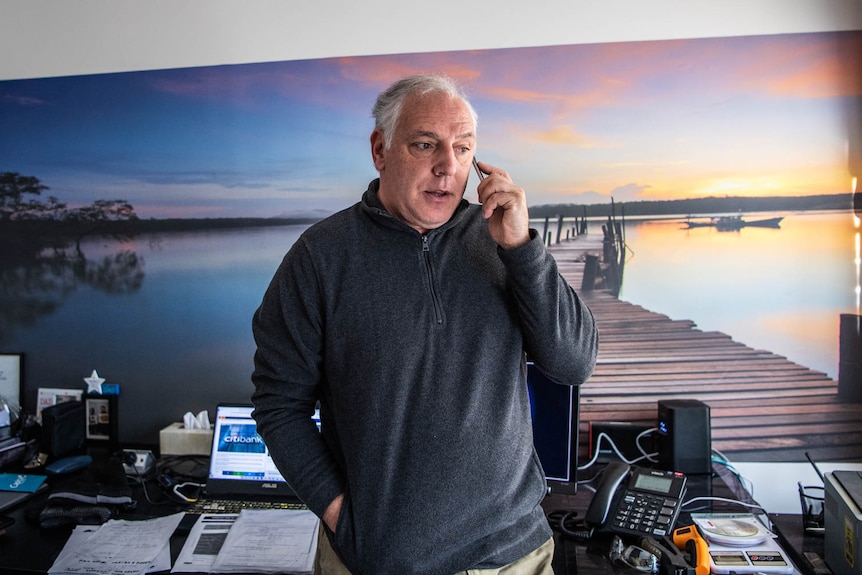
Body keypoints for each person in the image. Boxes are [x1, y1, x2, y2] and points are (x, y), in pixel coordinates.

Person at [251, 74, 598, 575]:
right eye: (425, 145)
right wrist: (343, 516)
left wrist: (523, 250)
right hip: (376, 560)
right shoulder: (319, 258)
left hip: (515, 555)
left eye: (463, 149)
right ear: (380, 149)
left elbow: (573, 364)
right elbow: (279, 405)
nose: (447, 167)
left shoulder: (501, 243)